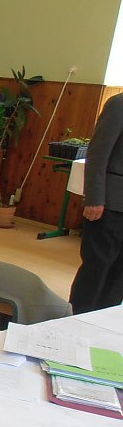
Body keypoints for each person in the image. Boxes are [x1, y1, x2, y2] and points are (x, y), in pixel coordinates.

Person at [70, 94, 123, 313]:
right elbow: (98, 154)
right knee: (97, 266)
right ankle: (77, 317)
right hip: (109, 204)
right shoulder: (119, 104)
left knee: (119, 274)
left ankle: (101, 320)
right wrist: (94, 198)